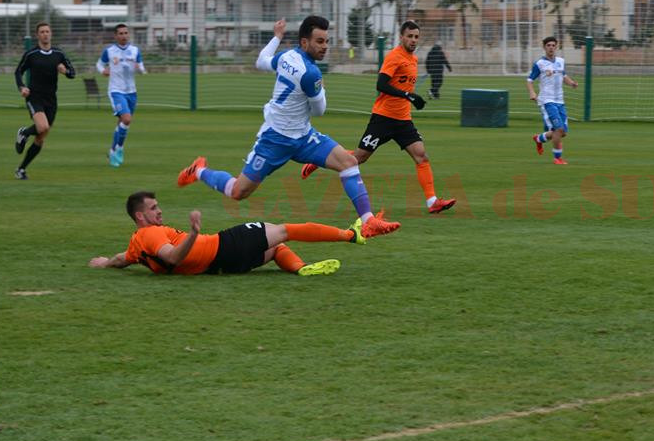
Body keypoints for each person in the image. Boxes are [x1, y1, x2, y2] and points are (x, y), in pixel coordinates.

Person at [176, 16, 400, 239]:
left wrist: (276, 37)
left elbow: (261, 61)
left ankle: (368, 221)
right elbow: (319, 110)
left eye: (326, 41)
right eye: (319, 41)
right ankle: (199, 171)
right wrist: (320, 88)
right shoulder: (311, 73)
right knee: (238, 192)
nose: (325, 47)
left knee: (348, 163)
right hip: (274, 139)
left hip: (304, 136)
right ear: (304, 42)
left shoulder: (286, 56)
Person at [300, 20, 457, 214]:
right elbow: (381, 85)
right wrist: (408, 96)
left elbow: (403, 86)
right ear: (401, 37)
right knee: (359, 158)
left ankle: (432, 201)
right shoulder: (394, 56)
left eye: (416, 37)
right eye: (409, 36)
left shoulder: (413, 60)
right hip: (383, 118)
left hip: (403, 120)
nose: (413, 40)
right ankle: (319, 160)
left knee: (421, 155)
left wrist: (410, 98)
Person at [89, 191, 367, 275]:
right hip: (223, 246)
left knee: (274, 249)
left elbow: (123, 258)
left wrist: (104, 263)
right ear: (140, 217)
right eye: (153, 208)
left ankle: (301, 268)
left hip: (221, 266)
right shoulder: (150, 234)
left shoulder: (137, 244)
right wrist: (194, 232)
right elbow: (172, 257)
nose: (159, 212)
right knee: (285, 230)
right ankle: (351, 235)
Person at [13, 22, 76, 179]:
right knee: (42, 126)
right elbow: (18, 71)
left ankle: (21, 169)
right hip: (34, 97)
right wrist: (22, 87)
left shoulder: (59, 54)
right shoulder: (31, 54)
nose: (45, 34)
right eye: (42, 32)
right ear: (37, 35)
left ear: (51, 33)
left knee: (41, 137)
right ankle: (24, 132)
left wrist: (65, 71)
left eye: (47, 31)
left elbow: (73, 73)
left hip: (51, 100)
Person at [97, 23, 146, 167]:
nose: (124, 36)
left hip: (132, 92)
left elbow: (142, 68)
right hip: (116, 91)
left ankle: (113, 150)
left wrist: (139, 68)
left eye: (126, 33)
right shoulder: (109, 51)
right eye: (121, 33)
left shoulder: (135, 50)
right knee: (127, 119)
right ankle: (119, 148)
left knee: (122, 123)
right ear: (115, 36)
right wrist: (103, 71)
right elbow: (99, 64)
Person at [528, 36, 578, 165]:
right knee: (558, 130)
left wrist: (571, 83)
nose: (551, 47)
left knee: (563, 133)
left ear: (556, 47)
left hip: (560, 100)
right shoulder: (539, 63)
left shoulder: (561, 61)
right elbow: (529, 80)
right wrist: (532, 92)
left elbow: (563, 76)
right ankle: (557, 158)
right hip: (547, 100)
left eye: (553, 45)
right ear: (544, 47)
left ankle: (539, 139)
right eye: (548, 45)